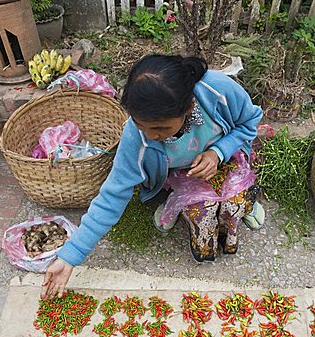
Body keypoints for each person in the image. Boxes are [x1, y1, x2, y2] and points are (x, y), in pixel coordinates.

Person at [41, 54, 264, 300]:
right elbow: (112, 194)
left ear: (188, 108)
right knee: (202, 215)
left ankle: (244, 203)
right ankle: (174, 200)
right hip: (180, 173)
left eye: (161, 128)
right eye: (141, 125)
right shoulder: (136, 137)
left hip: (225, 156)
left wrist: (218, 152)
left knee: (232, 205)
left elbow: (250, 121)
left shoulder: (217, 91)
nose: (151, 135)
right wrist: (71, 254)